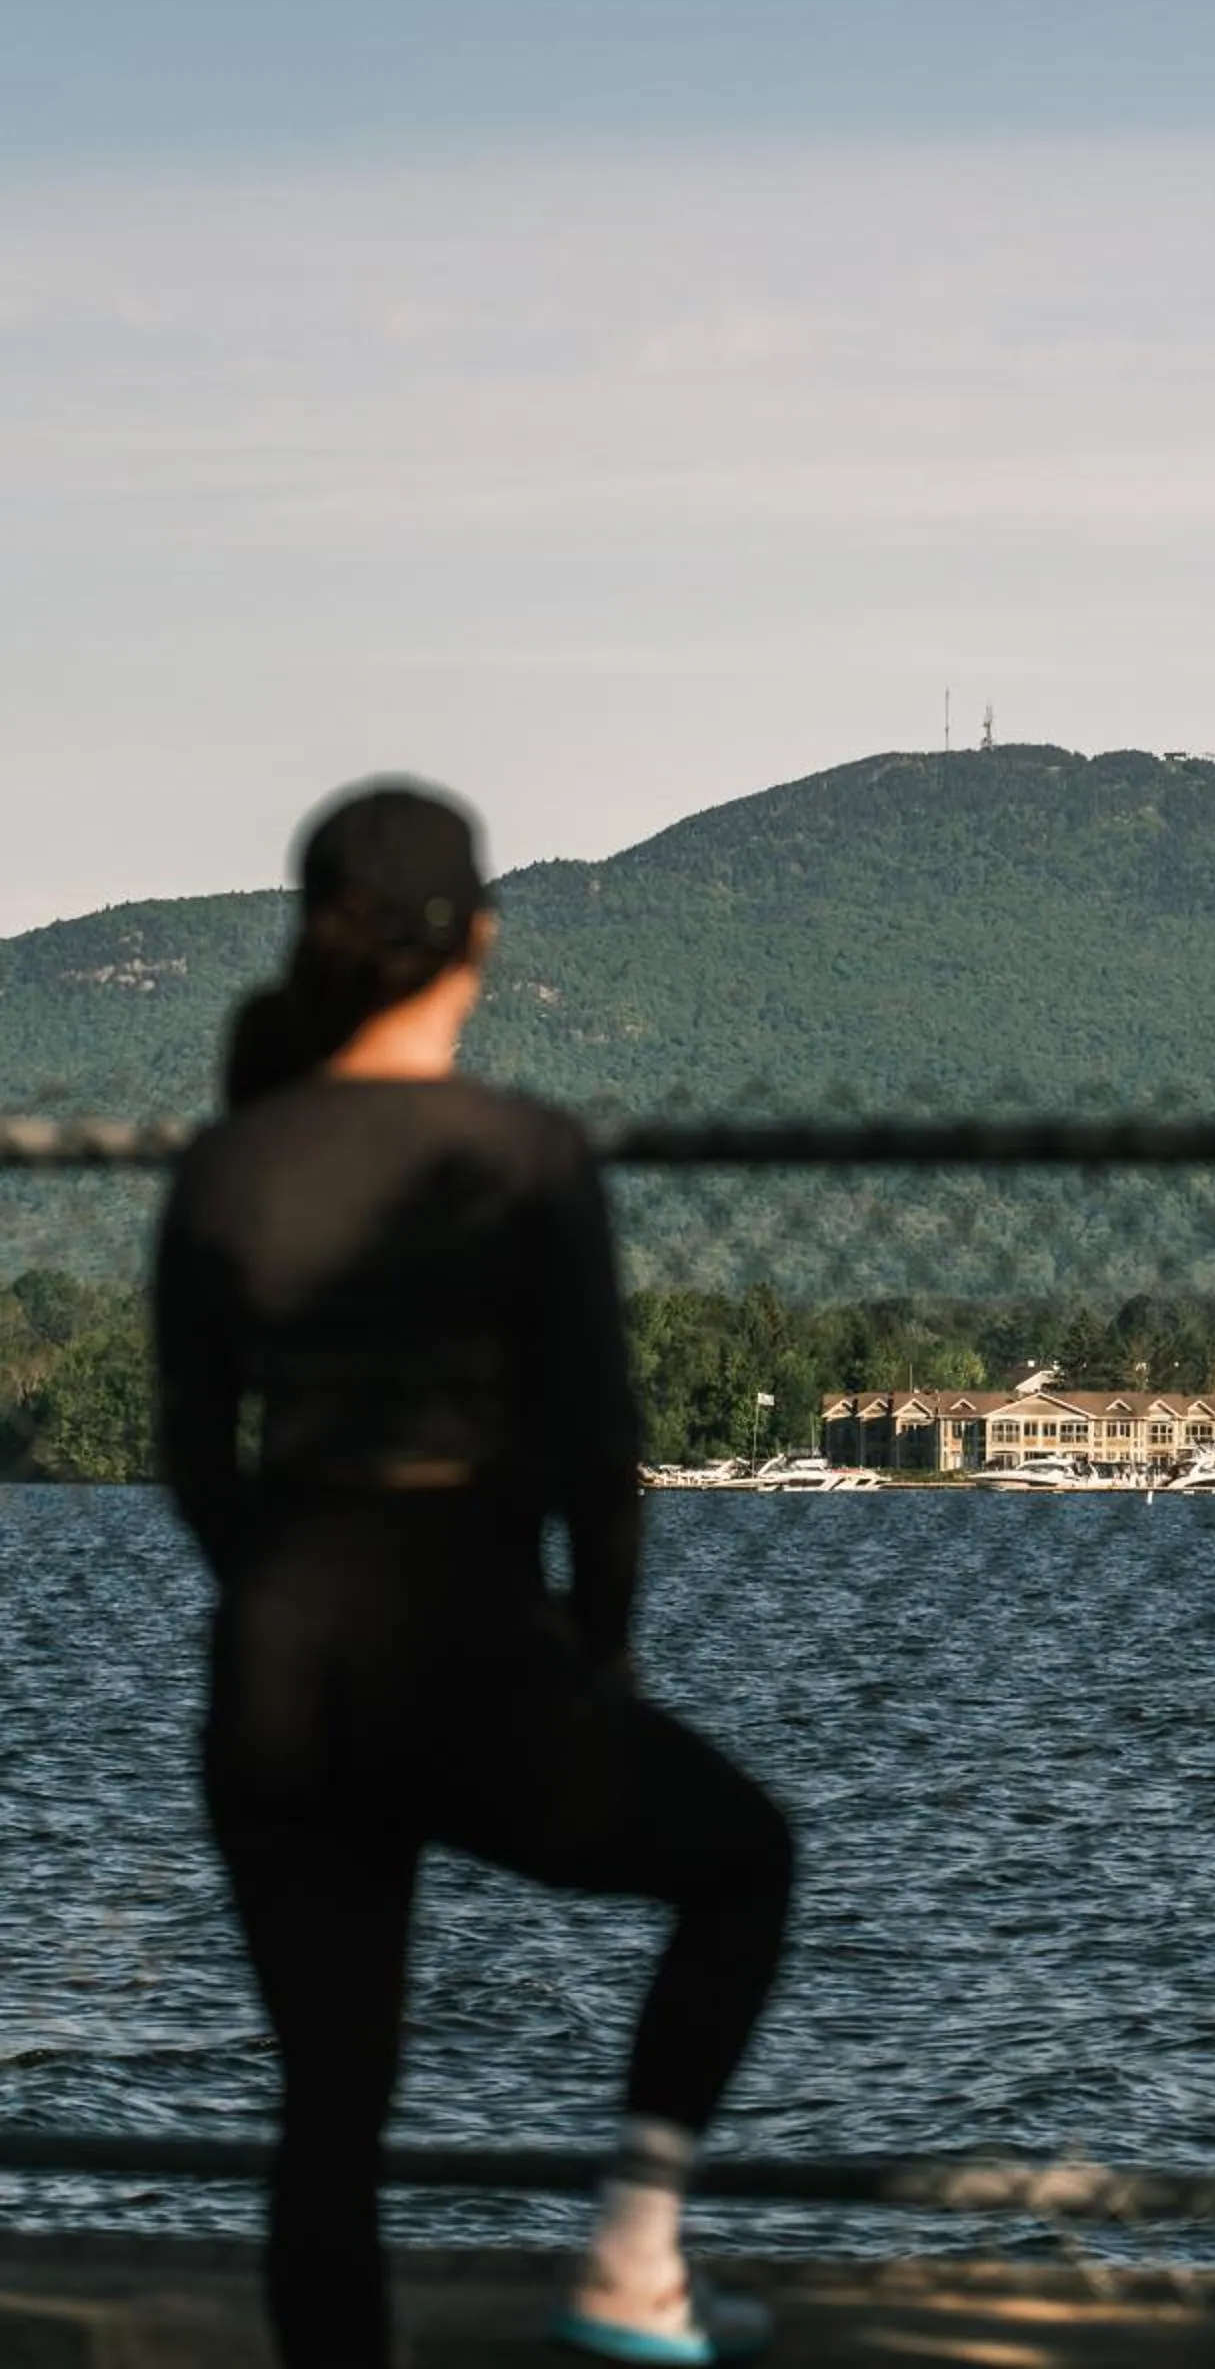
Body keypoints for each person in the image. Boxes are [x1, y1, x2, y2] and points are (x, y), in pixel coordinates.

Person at [154, 782, 793, 2369]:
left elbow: (191, 1454)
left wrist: (276, 1585)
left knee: (332, 2106)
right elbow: (598, 1445)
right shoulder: (524, 1154)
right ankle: (635, 2253)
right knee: (743, 1863)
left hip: (287, 1650)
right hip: (470, 1637)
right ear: (482, 945)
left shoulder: (228, 1167)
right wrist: (598, 1650)